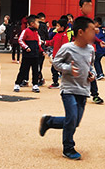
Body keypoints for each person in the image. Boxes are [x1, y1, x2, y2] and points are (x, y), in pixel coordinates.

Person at [39, 16, 98, 160]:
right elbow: (56, 62)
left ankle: (49, 121)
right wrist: (68, 69)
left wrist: (93, 75)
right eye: (91, 30)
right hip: (69, 89)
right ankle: (68, 148)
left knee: (75, 121)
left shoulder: (91, 49)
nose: (94, 33)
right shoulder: (68, 48)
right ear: (80, 32)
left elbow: (91, 66)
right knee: (71, 118)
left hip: (83, 90)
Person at [14, 14, 42, 93]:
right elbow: (20, 40)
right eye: (37, 22)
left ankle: (35, 84)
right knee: (23, 70)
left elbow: (39, 43)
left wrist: (41, 51)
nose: (38, 24)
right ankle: (17, 83)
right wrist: (26, 47)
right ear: (32, 23)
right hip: (27, 55)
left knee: (35, 70)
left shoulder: (36, 33)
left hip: (35, 55)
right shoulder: (25, 31)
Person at [45, 18, 69, 89]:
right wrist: (45, 42)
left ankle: (59, 83)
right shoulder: (57, 35)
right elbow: (52, 42)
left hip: (61, 57)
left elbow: (65, 47)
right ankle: (56, 83)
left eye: (58, 26)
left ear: (62, 27)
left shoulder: (64, 36)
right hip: (56, 56)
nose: (56, 27)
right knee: (55, 70)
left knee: (59, 70)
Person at [94, 17, 105, 81]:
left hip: (101, 47)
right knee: (97, 60)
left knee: (96, 61)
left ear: (97, 23)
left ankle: (100, 74)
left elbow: (96, 38)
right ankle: (101, 73)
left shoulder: (99, 30)